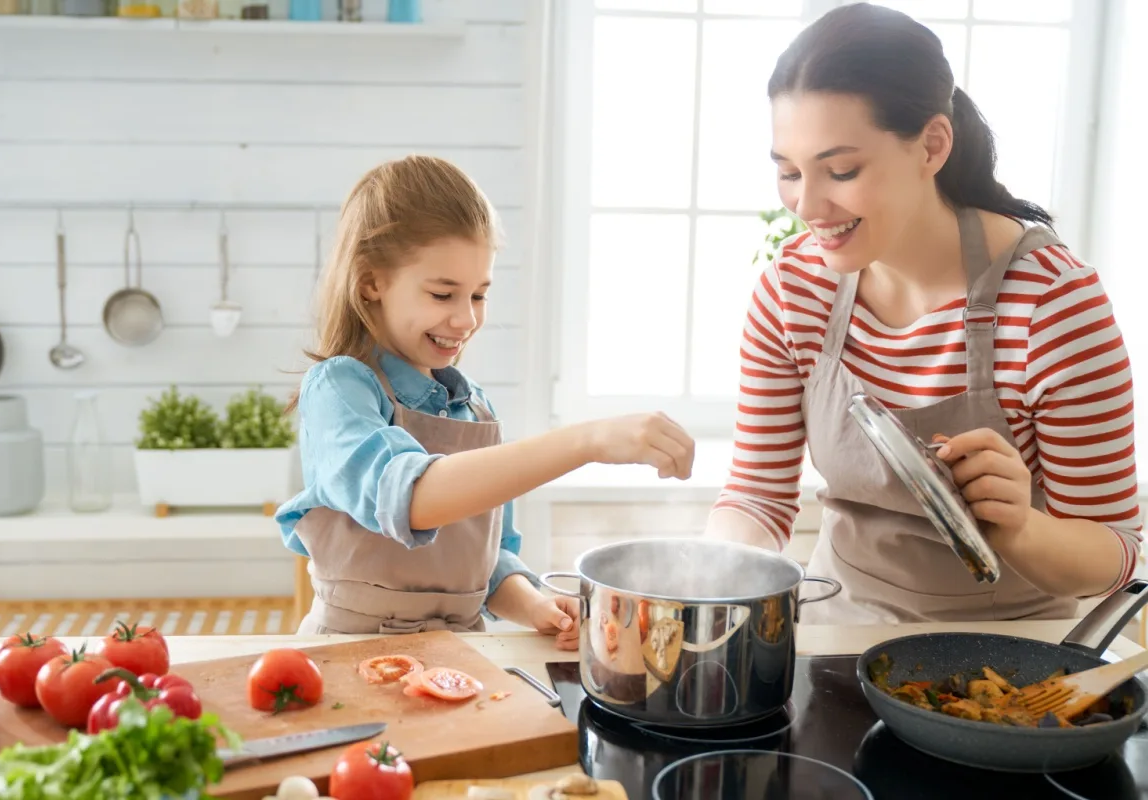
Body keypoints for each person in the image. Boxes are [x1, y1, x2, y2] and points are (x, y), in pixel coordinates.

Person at [705, 3, 1142, 624]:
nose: (807, 205)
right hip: (836, 631)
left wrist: (1017, 526)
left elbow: (1116, 553)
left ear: (932, 145)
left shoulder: (1052, 304)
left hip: (1013, 653)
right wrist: (705, 579)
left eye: (841, 170)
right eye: (788, 173)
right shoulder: (793, 289)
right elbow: (757, 495)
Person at [276, 155, 696, 646]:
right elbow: (411, 498)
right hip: (347, 652)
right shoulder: (339, 389)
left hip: (461, 652)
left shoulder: (474, 407)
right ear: (372, 282)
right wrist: (589, 440)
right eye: (442, 294)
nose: (466, 320)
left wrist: (534, 604)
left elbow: (484, 559)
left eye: (478, 295)